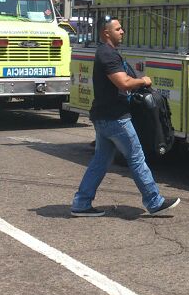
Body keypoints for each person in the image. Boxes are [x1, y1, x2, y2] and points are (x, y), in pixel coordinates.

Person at [71, 17, 179, 217]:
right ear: (106, 33)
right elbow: (123, 83)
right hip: (115, 118)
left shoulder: (108, 53)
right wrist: (143, 80)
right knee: (137, 158)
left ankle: (81, 203)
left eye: (122, 28)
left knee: (100, 162)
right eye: (118, 29)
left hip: (105, 116)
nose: (122, 32)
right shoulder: (108, 55)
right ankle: (154, 201)